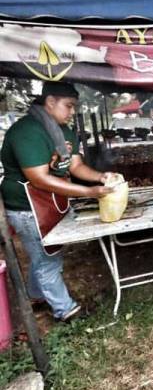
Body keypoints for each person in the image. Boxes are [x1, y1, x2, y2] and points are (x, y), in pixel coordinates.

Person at [0, 82, 113, 322]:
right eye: (68, 106)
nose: (72, 112)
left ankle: (36, 293)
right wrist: (89, 192)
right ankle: (66, 310)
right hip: (27, 207)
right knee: (47, 258)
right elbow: (39, 179)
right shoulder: (27, 131)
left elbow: (75, 166)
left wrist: (100, 177)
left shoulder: (64, 130)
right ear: (50, 102)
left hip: (54, 201)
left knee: (44, 254)